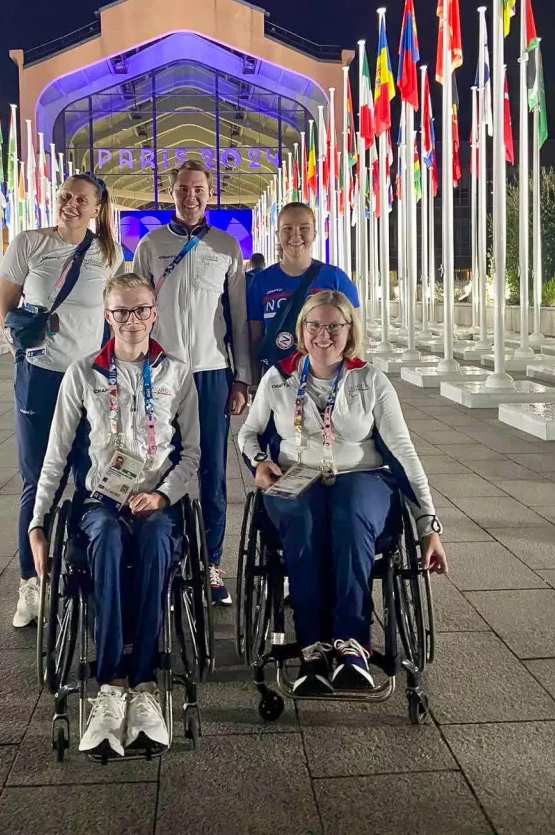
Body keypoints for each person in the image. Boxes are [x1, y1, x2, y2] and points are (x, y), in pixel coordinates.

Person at [237, 290, 447, 696]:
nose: (323, 334)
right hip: (296, 477)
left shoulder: (371, 380)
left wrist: (428, 526)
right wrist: (260, 461)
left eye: (335, 326)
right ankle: (312, 646)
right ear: (302, 330)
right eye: (314, 325)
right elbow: (248, 432)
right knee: (300, 518)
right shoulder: (278, 377)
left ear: (350, 332)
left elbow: (404, 454)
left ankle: (353, 644)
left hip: (360, 476)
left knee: (350, 515)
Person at [29, 273, 200, 756]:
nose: (132, 320)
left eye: (141, 310)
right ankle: (111, 683)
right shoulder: (83, 374)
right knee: (102, 539)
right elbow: (56, 456)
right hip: (100, 502)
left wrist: (164, 495)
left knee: (154, 544)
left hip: (156, 500)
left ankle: (144, 685)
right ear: (107, 317)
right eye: (121, 312)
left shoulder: (177, 373)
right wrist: (38, 523)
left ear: (154, 313)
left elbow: (192, 457)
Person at [0, 172, 123, 628]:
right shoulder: (29, 243)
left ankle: (85, 572)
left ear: (97, 208)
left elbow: (111, 318)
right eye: (66, 196)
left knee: (91, 476)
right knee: (36, 479)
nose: (71, 204)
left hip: (88, 379)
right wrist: (22, 355)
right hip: (40, 376)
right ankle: (31, 583)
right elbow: (6, 307)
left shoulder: (108, 253)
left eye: (82, 199)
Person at [133, 159, 250, 606]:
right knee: (162, 464)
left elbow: (237, 318)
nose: (191, 196)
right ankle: (169, 557)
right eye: (183, 189)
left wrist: (242, 377)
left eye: (198, 189)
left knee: (213, 472)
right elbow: (136, 313)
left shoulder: (226, 246)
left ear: (209, 192)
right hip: (162, 371)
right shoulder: (150, 244)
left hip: (212, 371)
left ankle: (210, 564)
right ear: (172, 192)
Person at [248, 202, 359, 378]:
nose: (296, 235)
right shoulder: (260, 282)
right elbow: (255, 340)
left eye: (304, 228)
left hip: (327, 383)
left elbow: (355, 336)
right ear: (277, 234)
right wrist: (254, 382)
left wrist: (356, 381)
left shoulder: (335, 278)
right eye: (288, 228)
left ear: (315, 234)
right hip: (277, 381)